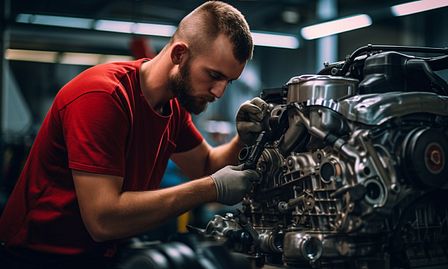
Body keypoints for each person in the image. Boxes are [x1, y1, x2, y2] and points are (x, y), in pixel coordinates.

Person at [0, 1, 268, 268]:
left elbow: (207, 166)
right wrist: (210, 189)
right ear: (179, 55)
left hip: (103, 255)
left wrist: (242, 137)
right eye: (213, 75)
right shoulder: (103, 97)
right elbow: (103, 219)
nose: (219, 91)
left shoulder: (172, 108)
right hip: (36, 256)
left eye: (228, 81)